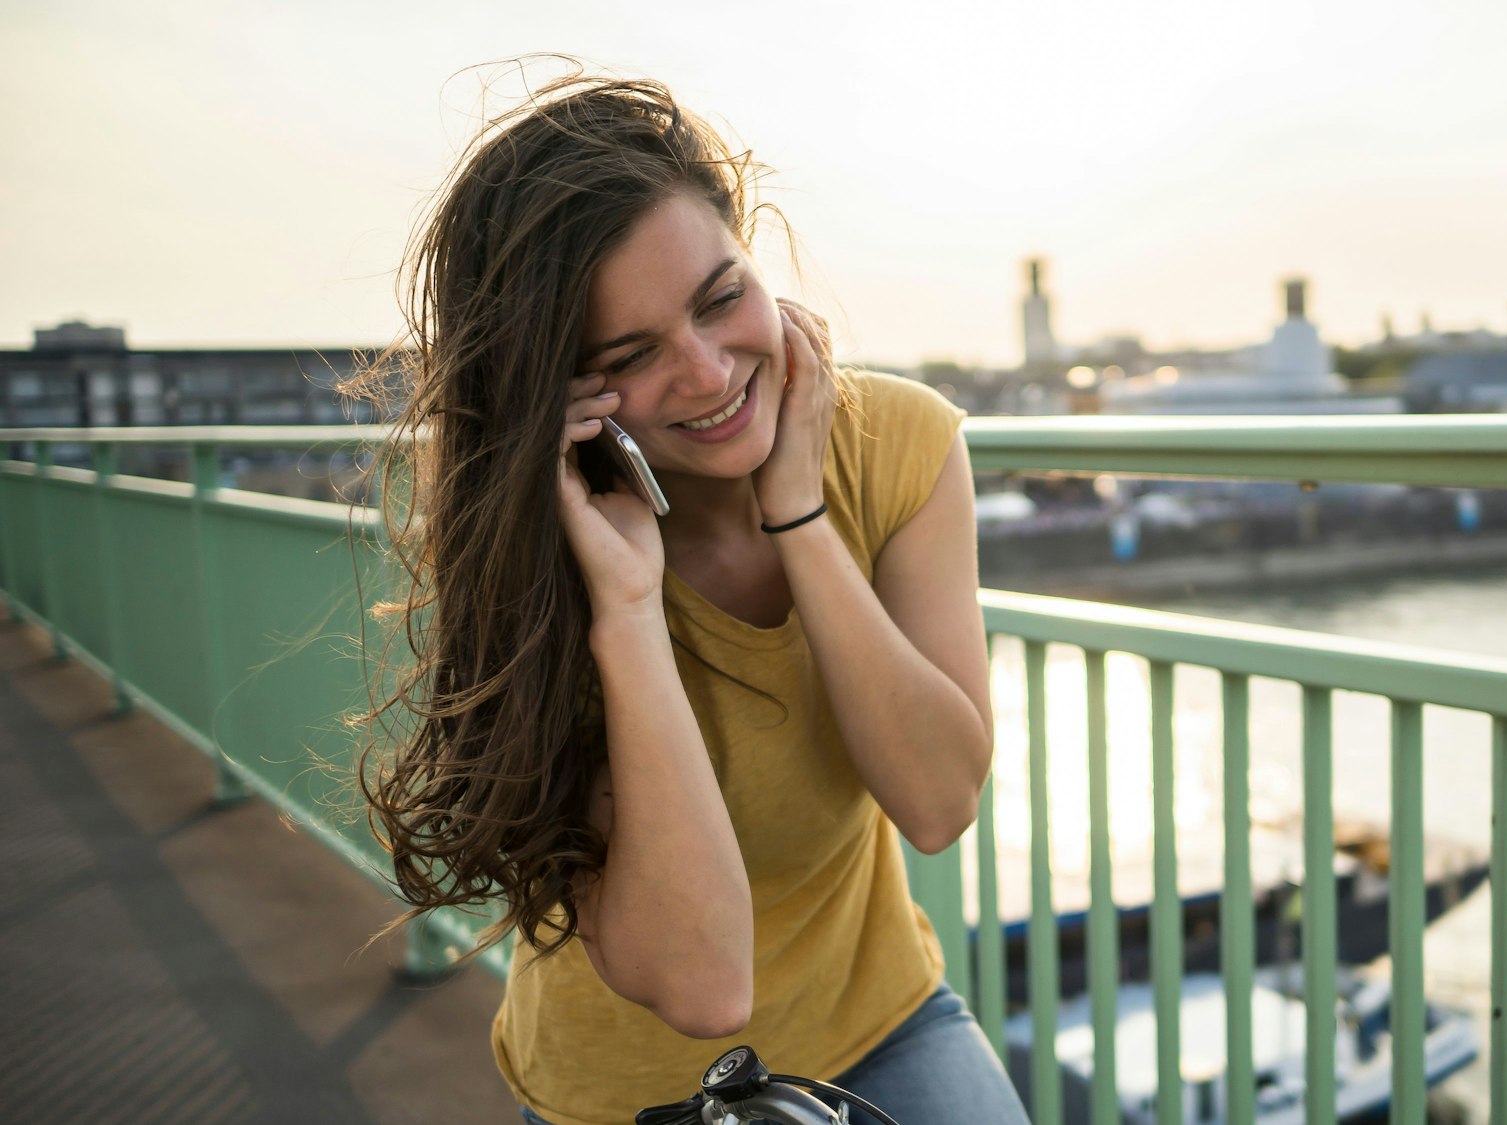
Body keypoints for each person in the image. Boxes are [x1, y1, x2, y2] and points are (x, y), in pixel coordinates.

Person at [348, 67, 1028, 1125]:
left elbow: (939, 803)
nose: (709, 374)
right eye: (632, 357)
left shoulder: (896, 443)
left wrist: (797, 513)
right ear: (560, 394)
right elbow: (704, 987)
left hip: (880, 1022)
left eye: (722, 301)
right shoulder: (540, 557)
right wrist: (622, 609)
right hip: (625, 1088)